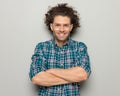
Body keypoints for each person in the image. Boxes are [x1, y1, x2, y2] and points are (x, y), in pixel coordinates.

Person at [29, 3, 91, 96]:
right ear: (51, 26)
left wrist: (51, 71)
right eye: (57, 25)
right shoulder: (42, 47)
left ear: (71, 27)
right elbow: (36, 78)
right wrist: (72, 77)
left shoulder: (80, 47)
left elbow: (83, 75)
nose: (61, 29)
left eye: (65, 25)